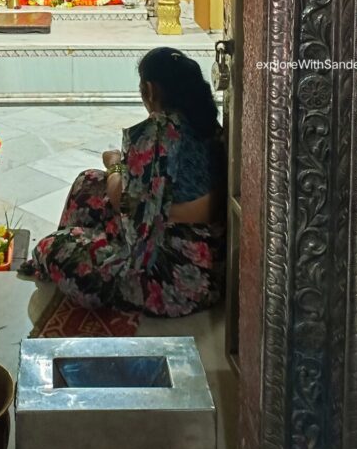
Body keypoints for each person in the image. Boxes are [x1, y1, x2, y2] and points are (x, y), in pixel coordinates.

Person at [19, 47, 227, 317]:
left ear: (150, 90)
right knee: (88, 182)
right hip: (200, 255)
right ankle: (90, 244)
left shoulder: (158, 136)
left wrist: (115, 164)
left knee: (50, 248)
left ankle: (82, 252)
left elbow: (124, 203)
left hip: (169, 275)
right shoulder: (207, 124)